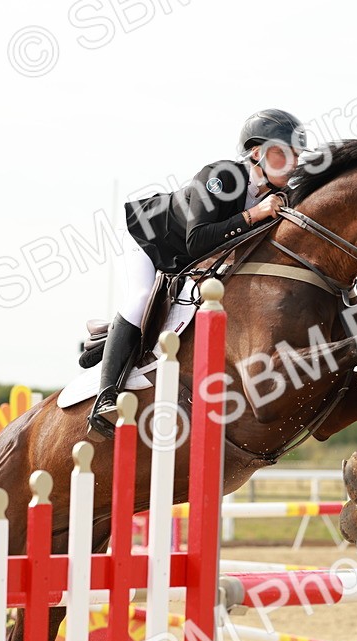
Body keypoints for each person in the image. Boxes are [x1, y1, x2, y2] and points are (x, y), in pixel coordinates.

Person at [88, 108, 307, 437]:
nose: (292, 162)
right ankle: (106, 398)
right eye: (282, 152)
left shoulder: (278, 195)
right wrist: (253, 215)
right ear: (257, 153)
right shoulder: (222, 177)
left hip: (194, 259)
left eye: (296, 154)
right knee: (141, 296)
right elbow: (197, 240)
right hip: (148, 240)